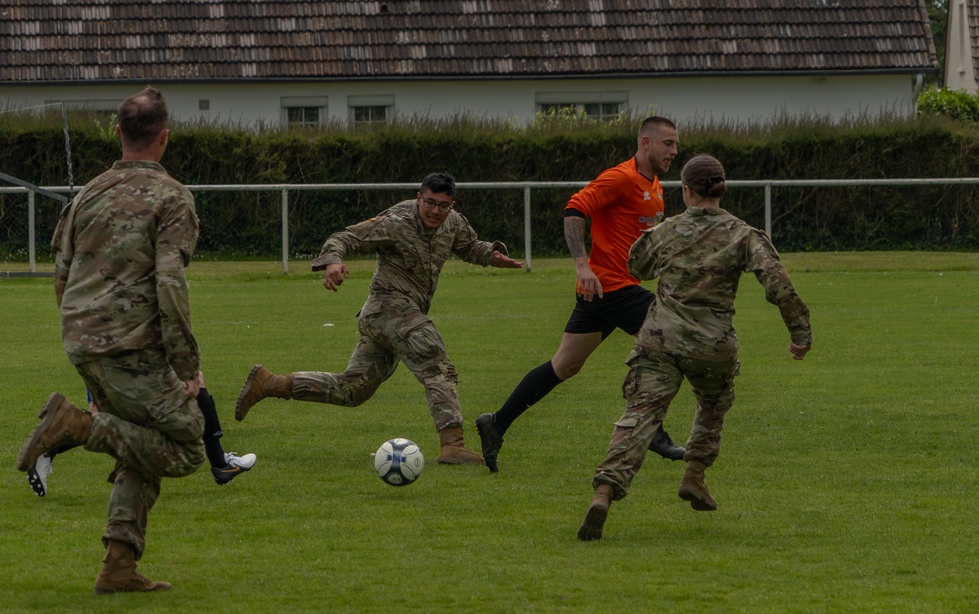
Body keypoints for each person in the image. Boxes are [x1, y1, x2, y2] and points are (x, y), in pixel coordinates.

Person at [16, 86, 207, 593]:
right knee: (188, 445)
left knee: (142, 441)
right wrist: (188, 369)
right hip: (131, 347)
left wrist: (82, 341)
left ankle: (118, 566)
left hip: (81, 338)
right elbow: (170, 283)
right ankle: (80, 427)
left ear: (118, 133)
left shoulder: (88, 194)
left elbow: (61, 274)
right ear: (164, 138)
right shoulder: (173, 197)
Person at [577, 154, 813, 541]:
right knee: (713, 404)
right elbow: (778, 284)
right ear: (721, 188)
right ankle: (695, 474)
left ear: (685, 190)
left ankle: (604, 492)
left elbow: (636, 266)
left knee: (640, 413)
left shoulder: (667, 231)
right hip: (712, 343)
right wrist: (800, 332)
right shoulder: (743, 233)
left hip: (660, 339)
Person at [234, 172, 524, 465]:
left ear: (452, 204)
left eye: (443, 205)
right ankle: (453, 444)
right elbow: (345, 237)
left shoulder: (453, 222)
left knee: (353, 389)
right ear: (418, 197)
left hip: (396, 317)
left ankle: (271, 383)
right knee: (435, 360)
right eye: (430, 203)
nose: (436, 211)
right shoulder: (396, 222)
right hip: (388, 308)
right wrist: (333, 261)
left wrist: (492, 255)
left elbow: (469, 246)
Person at [475, 116, 685, 472]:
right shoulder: (621, 177)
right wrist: (581, 265)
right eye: (668, 144)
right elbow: (574, 210)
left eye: (677, 145)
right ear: (646, 142)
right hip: (610, 287)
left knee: (565, 365)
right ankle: (652, 429)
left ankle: (496, 423)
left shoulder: (656, 185)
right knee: (672, 338)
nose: (675, 151)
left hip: (605, 292)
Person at [26, 377, 256, 497]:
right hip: (115, 343)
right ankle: (48, 446)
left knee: (195, 383)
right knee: (101, 416)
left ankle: (221, 464)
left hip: (129, 338)